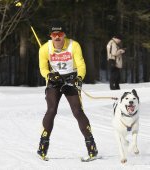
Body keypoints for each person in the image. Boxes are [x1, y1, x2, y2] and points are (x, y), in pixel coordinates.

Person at [37, 20, 98, 160]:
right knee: (51, 110)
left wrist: (79, 78)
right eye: (54, 34)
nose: (57, 37)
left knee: (77, 111)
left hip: (71, 79)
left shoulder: (73, 45)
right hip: (54, 80)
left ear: (64, 35)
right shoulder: (44, 49)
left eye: (60, 34)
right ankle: (43, 145)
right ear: (51, 35)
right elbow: (43, 68)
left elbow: (81, 64)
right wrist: (49, 75)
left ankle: (91, 145)